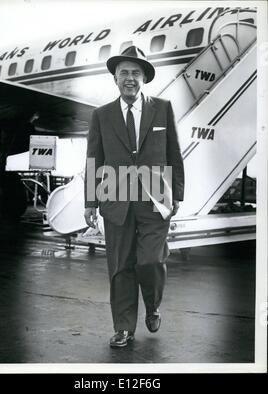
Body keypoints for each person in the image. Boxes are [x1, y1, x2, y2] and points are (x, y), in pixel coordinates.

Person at [84, 46, 184, 348]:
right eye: (124, 73)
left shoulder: (163, 108)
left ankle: (153, 307)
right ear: (115, 78)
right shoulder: (101, 115)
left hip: (155, 196)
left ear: (144, 78)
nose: (129, 78)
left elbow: (174, 154)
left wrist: (177, 193)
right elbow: (94, 158)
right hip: (115, 195)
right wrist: (90, 201)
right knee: (120, 266)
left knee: (151, 261)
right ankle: (124, 327)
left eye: (135, 73)